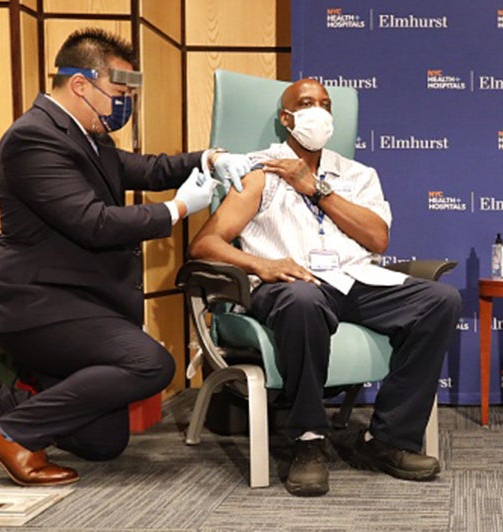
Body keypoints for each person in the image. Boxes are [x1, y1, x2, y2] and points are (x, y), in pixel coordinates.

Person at [0, 27, 253, 486]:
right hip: (36, 306)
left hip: (76, 304)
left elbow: (151, 167)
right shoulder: (33, 139)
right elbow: (93, 223)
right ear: (81, 83)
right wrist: (178, 209)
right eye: (119, 91)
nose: (124, 103)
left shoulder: (89, 136)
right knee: (151, 364)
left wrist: (210, 158)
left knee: (103, 440)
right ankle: (12, 434)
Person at [188, 78, 462, 497]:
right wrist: (263, 263)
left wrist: (317, 188)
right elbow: (205, 244)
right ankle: (308, 441)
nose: (318, 111)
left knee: (440, 300)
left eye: (325, 104)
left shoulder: (357, 175)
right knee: (303, 299)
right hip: (287, 284)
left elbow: (377, 240)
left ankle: (387, 439)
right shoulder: (260, 172)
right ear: (286, 118)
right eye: (306, 103)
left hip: (353, 280)